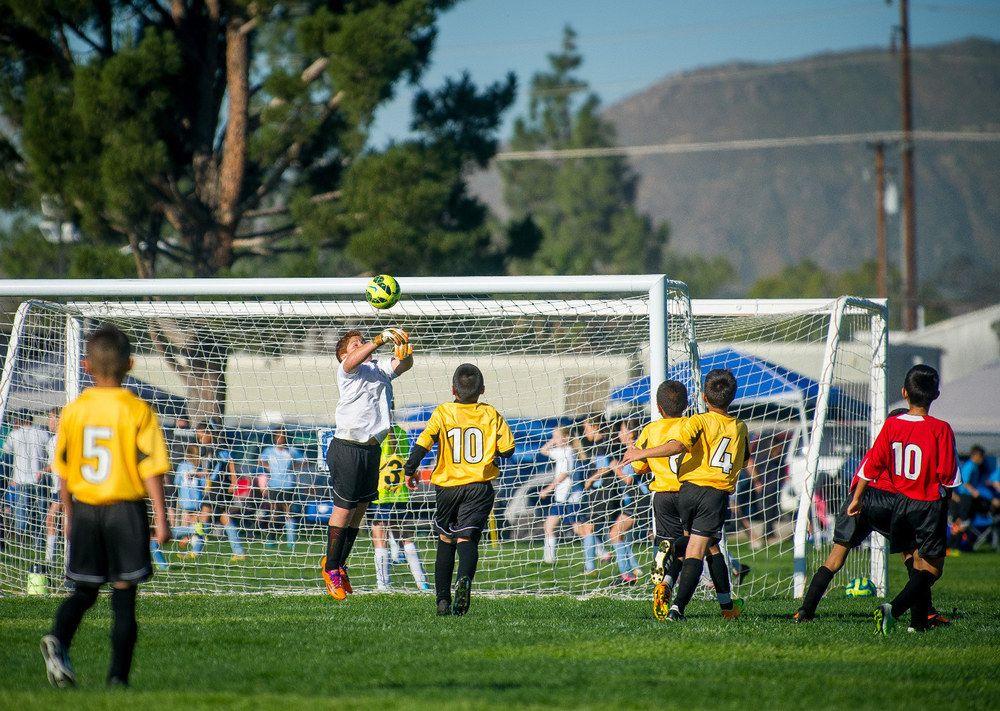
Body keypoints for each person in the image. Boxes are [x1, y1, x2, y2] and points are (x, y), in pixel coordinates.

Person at [39, 324, 170, 688]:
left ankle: (59, 638)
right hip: (124, 511)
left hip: (84, 509)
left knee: (83, 591)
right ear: (130, 364)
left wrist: (66, 512)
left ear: (85, 365)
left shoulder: (74, 411)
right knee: (124, 598)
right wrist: (161, 518)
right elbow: (151, 468)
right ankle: (117, 678)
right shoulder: (138, 410)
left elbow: (62, 468)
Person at [794, 395, 957, 630]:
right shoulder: (907, 443)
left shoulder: (879, 444)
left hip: (859, 499)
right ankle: (923, 616)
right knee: (914, 559)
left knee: (835, 558)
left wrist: (857, 498)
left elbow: (865, 471)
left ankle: (805, 610)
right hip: (891, 503)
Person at [624, 369, 748, 622]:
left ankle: (723, 604)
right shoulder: (737, 426)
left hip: (684, 492)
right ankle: (679, 608)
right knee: (700, 551)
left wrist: (641, 454)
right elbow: (742, 459)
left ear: (703, 397)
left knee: (701, 547)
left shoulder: (691, 423)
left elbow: (673, 449)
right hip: (712, 494)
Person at [845, 366, 961, 635]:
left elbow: (871, 465)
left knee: (916, 564)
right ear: (936, 395)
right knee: (932, 569)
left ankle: (917, 623)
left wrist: (857, 497)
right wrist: (945, 506)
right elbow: (948, 476)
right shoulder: (941, 429)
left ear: (904, 393)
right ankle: (893, 609)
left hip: (900, 505)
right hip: (929, 504)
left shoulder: (892, 424)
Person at [403, 364, 515, 616]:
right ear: (482, 390)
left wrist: (410, 468)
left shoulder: (443, 412)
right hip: (479, 486)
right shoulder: (491, 414)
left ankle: (442, 600)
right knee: (467, 539)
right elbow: (509, 450)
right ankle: (464, 580)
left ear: (453, 389)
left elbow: (424, 443)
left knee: (445, 539)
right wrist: (492, 454)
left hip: (448, 486)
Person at [322, 327, 413, 599]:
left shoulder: (378, 368)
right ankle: (331, 568)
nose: (360, 344)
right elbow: (352, 360)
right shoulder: (347, 371)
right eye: (354, 343)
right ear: (343, 354)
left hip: (373, 449)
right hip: (347, 447)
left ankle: (339, 563)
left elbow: (404, 365)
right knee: (344, 510)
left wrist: (405, 350)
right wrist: (376, 341)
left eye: (362, 341)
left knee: (359, 514)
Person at [631, 380, 698, 620]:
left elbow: (638, 467)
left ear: (659, 407)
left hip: (661, 495)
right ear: (687, 404)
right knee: (691, 544)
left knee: (671, 542)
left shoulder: (650, 430)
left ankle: (664, 559)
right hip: (688, 493)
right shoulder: (691, 424)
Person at [369, 421, 428, 591]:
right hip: (400, 494)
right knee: (406, 539)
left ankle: (383, 584)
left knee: (380, 539)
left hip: (381, 494)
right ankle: (421, 582)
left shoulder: (376, 434)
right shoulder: (402, 433)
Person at [198, 423, 246, 561]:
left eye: (201, 433)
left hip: (219, 487)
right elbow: (210, 469)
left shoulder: (219, 447)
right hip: (214, 487)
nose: (199, 436)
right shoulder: (207, 449)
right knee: (221, 518)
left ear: (209, 433)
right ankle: (239, 552)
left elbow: (230, 461)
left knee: (205, 518)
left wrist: (234, 481)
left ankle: (191, 544)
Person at [2, 410, 49, 549]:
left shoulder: (14, 435)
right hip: (38, 479)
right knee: (40, 512)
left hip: (20, 479)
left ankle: (21, 542)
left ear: (19, 421)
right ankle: (39, 543)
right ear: (31, 419)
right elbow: (49, 450)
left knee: (21, 512)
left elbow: (6, 452)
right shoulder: (42, 433)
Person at [606, 419, 645, 585]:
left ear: (631, 433)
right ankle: (630, 572)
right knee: (618, 534)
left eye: (621, 431)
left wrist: (615, 467)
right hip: (634, 500)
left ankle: (628, 576)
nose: (618, 434)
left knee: (615, 533)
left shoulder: (636, 449)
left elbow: (629, 479)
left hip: (640, 499)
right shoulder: (628, 450)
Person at [538, 425, 578, 565]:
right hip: (561, 496)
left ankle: (601, 552)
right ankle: (548, 559)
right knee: (550, 526)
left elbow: (563, 474)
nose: (553, 439)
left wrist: (547, 489)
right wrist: (553, 440)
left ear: (566, 437)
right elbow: (543, 450)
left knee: (578, 528)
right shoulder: (561, 451)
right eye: (552, 436)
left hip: (567, 496)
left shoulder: (568, 452)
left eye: (556, 436)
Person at [260, 428, 302, 550]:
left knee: (287, 511)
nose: (280, 439)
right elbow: (260, 461)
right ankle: (271, 538)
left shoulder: (291, 451)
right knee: (274, 512)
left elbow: (304, 461)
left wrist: (293, 467)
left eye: (283, 436)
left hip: (288, 484)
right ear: (275, 438)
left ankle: (291, 541)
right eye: (278, 436)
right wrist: (270, 469)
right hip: (274, 484)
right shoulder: (269, 451)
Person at [950, 445, 1000, 535]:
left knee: (966, 520)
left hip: (970, 498)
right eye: (981, 456)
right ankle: (954, 542)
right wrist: (974, 492)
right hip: (966, 497)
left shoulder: (975, 467)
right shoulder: (970, 466)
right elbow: (965, 482)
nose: (982, 459)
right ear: (976, 455)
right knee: (962, 521)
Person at [174, 444, 207, 558]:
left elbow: (176, 481)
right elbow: (204, 485)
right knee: (197, 528)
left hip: (184, 502)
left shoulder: (182, 465)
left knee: (190, 527)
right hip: (196, 502)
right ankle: (194, 549)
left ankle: (190, 547)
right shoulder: (199, 467)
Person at [43, 407, 62, 565]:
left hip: (65, 486)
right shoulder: (52, 440)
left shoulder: (60, 439)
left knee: (51, 519)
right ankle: (52, 558)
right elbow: (54, 464)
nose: (49, 422)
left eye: (51, 418)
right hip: (58, 486)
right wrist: (44, 469)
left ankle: (50, 559)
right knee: (56, 521)